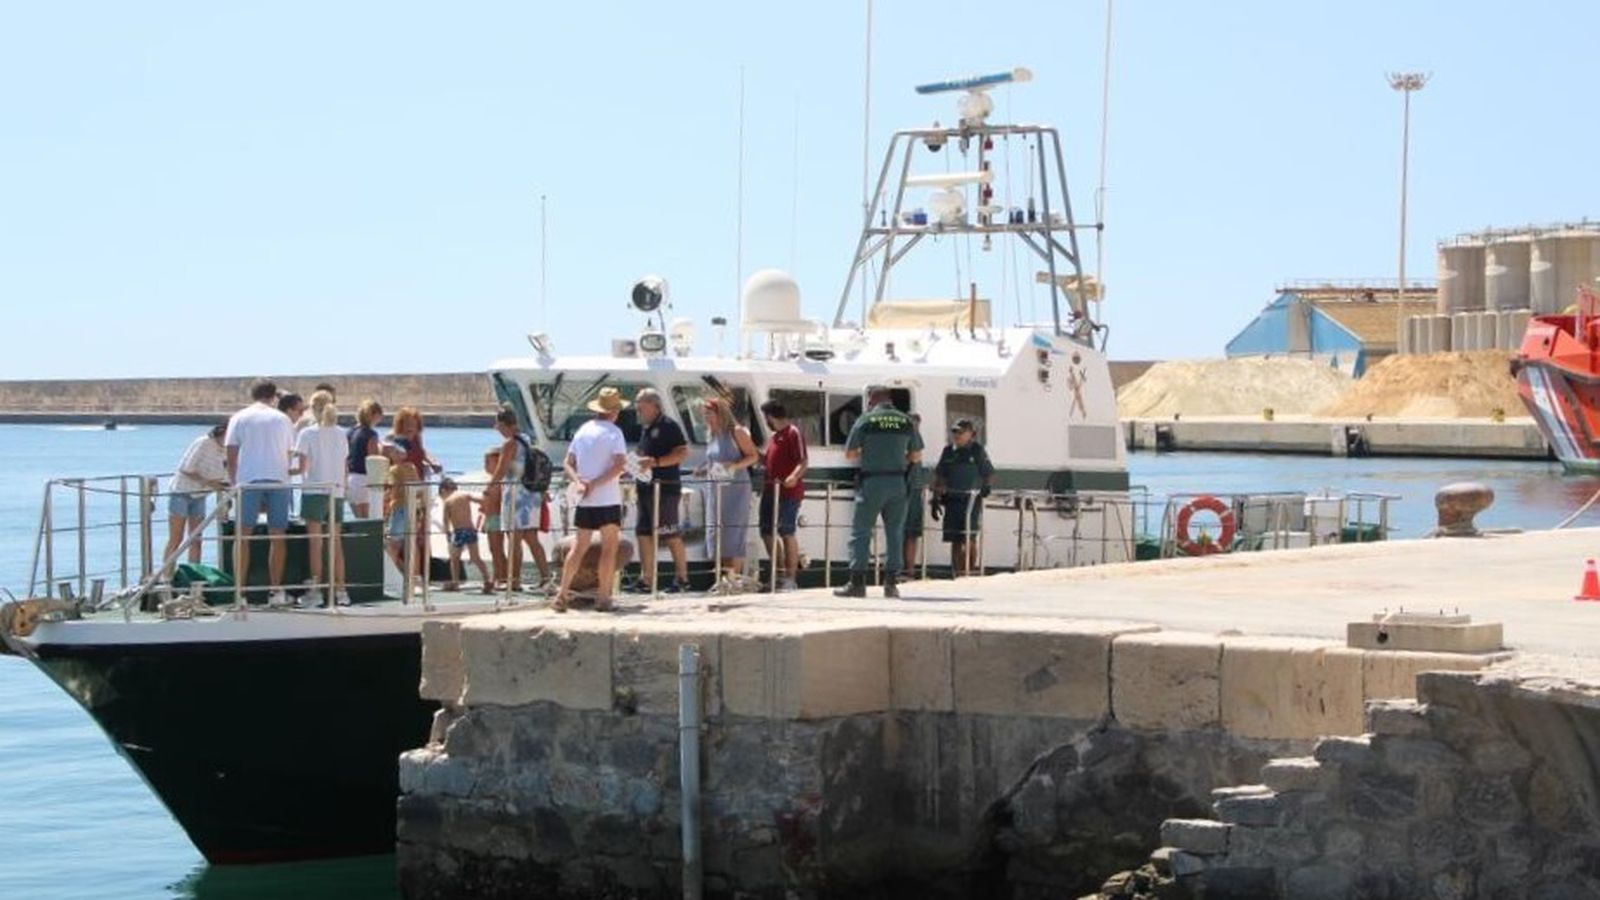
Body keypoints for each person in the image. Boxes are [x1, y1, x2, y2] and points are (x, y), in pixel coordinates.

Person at [836, 386, 923, 599]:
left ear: (871, 399)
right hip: (897, 484)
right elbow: (916, 456)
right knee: (895, 533)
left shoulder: (866, 420)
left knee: (861, 532)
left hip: (872, 483)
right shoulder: (905, 421)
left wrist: (868, 451)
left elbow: (849, 454)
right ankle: (891, 584)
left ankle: (857, 584)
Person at [553, 386, 628, 612]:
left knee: (578, 548)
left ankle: (561, 594)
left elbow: (567, 462)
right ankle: (603, 598)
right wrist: (595, 484)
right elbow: (620, 466)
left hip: (585, 500)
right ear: (615, 412)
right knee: (609, 548)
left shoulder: (583, 430)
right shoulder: (614, 433)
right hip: (607, 498)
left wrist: (579, 482)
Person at [225, 379, 296, 606]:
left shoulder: (239, 417)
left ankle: (240, 593)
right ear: (273, 396)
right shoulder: (283, 419)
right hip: (278, 480)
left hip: (248, 482)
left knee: (242, 536)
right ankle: (275, 591)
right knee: (278, 536)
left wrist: (234, 483)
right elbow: (288, 452)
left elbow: (231, 453)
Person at [630, 388, 690, 594]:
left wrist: (655, 462)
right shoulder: (646, 428)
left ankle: (682, 578)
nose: (638, 412)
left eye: (642, 407)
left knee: (669, 532)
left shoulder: (668, 425)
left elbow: (682, 452)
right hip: (645, 487)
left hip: (664, 488)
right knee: (643, 533)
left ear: (655, 406)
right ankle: (646, 579)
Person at [488, 405, 552, 592]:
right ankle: (546, 577)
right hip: (530, 495)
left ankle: (514, 580)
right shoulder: (526, 439)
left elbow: (501, 470)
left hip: (516, 495)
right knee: (531, 538)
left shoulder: (510, 444)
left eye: (498, 425)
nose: (497, 429)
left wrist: (489, 488)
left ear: (504, 424)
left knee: (513, 538)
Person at [294, 390, 349, 607]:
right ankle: (342, 592)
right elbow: (344, 465)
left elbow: (302, 468)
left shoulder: (307, 434)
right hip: (336, 492)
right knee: (336, 544)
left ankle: (316, 591)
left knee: (315, 544)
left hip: (314, 491)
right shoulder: (341, 433)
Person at [700, 394, 759, 586]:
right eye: (705, 414)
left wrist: (733, 466)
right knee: (718, 533)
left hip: (736, 490)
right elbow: (714, 460)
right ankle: (724, 579)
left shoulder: (737, 432)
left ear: (720, 414)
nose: (707, 417)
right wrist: (703, 469)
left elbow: (753, 456)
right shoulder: (711, 436)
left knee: (733, 534)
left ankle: (733, 580)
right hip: (716, 490)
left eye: (710, 413)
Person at [162, 424, 228, 578]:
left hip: (201, 495)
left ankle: (193, 576)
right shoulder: (203, 443)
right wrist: (210, 483)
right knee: (176, 538)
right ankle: (167, 576)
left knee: (196, 538)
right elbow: (186, 468)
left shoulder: (226, 450)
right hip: (182, 492)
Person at [934, 418, 995, 577]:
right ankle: (957, 572)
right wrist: (936, 497)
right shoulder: (948, 451)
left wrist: (986, 487)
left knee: (969, 537)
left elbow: (988, 472)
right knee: (954, 539)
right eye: (954, 432)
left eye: (960, 432)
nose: (957, 435)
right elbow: (940, 476)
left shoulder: (977, 450)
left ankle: (969, 571)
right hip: (952, 500)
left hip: (971, 502)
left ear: (970, 434)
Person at [758, 399, 808, 592]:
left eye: (765, 417)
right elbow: (768, 460)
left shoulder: (793, 433)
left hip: (789, 492)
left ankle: (790, 578)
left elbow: (803, 461)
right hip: (771, 490)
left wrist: (794, 476)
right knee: (766, 531)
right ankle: (777, 573)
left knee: (787, 531)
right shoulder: (774, 437)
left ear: (770, 417)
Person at [388, 406, 443, 570]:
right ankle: (402, 572)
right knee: (399, 537)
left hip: (418, 489)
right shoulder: (394, 440)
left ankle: (418, 574)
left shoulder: (417, 440)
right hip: (401, 491)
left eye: (414, 423)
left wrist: (433, 463)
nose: (411, 426)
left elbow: (424, 454)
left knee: (419, 535)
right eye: (407, 423)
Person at [438, 478, 490, 591]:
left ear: (443, 491)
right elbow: (481, 500)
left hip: (459, 532)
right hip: (471, 530)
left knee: (454, 559)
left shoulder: (448, 501)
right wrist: (485, 508)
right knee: (476, 558)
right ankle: (487, 579)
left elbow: (445, 520)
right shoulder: (465, 494)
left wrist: (447, 534)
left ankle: (455, 582)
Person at [346, 399, 385, 518]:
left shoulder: (349, 432)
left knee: (358, 519)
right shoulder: (371, 434)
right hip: (365, 479)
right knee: (368, 519)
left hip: (350, 479)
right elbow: (373, 459)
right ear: (374, 415)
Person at [902, 413, 929, 580]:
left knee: (909, 532)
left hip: (911, 487)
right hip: (907, 487)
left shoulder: (912, 435)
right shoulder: (910, 434)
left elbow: (915, 456)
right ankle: (906, 569)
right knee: (906, 531)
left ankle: (908, 569)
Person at [384, 463, 421, 574]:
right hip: (413, 507)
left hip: (399, 508)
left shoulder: (394, 469)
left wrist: (386, 496)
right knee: (411, 544)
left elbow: (394, 489)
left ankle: (390, 577)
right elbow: (418, 489)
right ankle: (415, 576)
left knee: (393, 545)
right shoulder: (412, 468)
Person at [479, 447, 507, 593]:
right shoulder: (491, 482)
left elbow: (496, 502)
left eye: (489, 462)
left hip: (496, 518)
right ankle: (498, 575)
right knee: (493, 549)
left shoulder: (499, 483)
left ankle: (501, 577)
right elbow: (486, 503)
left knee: (497, 549)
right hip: (490, 518)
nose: (486, 465)